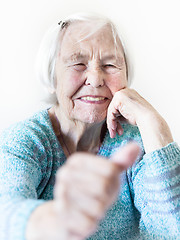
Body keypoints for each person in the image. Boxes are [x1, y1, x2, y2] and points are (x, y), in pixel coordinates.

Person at [0, 13, 179, 240]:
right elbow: (6, 214)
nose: (95, 79)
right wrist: (58, 220)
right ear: (52, 76)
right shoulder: (24, 140)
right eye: (78, 63)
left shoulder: (137, 144)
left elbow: (170, 231)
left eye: (110, 64)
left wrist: (154, 125)